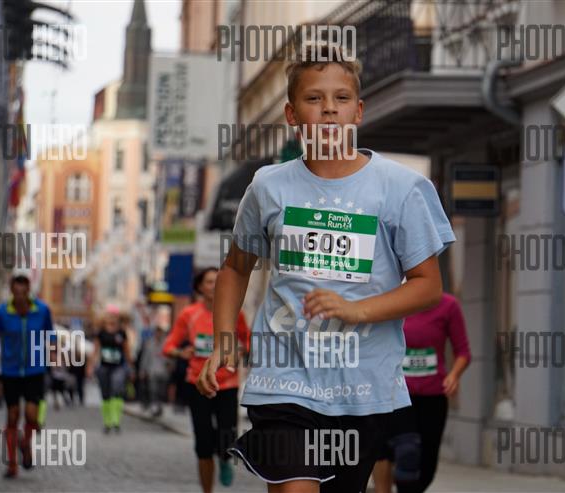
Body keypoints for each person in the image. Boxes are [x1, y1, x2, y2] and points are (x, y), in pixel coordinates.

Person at [196, 41, 455, 493]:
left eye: (341, 98)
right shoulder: (268, 186)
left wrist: (356, 310)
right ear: (292, 114)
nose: (329, 109)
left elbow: (428, 286)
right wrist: (223, 339)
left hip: (362, 387)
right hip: (284, 379)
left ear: (358, 111)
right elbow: (236, 268)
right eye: (314, 98)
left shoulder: (401, 188)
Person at [372, 293, 471, 493]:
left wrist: (454, 375)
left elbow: (463, 352)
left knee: (426, 468)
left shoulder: (448, 306)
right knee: (404, 451)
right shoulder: (396, 301)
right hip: (398, 394)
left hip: (433, 398)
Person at [163, 268, 250, 493]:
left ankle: (225, 458)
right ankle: (207, 490)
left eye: (218, 281)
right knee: (203, 444)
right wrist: (181, 352)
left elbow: (249, 341)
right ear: (200, 287)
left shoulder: (235, 313)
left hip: (227, 384)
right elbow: (168, 346)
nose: (214, 286)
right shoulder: (189, 314)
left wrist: (241, 350)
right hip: (198, 384)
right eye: (209, 282)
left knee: (226, 438)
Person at [0, 274, 55, 478]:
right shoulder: (2, 312)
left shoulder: (42, 310)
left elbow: (50, 332)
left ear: (29, 290)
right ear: (12, 291)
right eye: (17, 292)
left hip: (35, 369)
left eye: (24, 292)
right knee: (13, 416)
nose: (20, 296)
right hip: (10, 370)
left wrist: (53, 350)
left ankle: (25, 443)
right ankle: (12, 464)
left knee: (32, 415)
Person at [88, 306, 133, 433]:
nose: (112, 318)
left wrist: (131, 367)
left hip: (119, 367)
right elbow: (95, 350)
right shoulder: (101, 332)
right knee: (105, 393)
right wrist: (90, 366)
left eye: (114, 316)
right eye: (110, 315)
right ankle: (107, 422)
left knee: (117, 388)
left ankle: (116, 421)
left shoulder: (121, 333)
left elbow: (127, 350)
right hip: (104, 367)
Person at [139, 325, 169, 417]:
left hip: (163, 371)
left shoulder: (166, 343)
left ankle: (159, 406)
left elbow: (170, 357)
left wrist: (170, 366)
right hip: (152, 370)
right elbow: (145, 357)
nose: (158, 334)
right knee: (153, 390)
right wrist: (142, 370)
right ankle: (154, 407)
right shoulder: (149, 343)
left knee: (161, 391)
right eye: (157, 333)